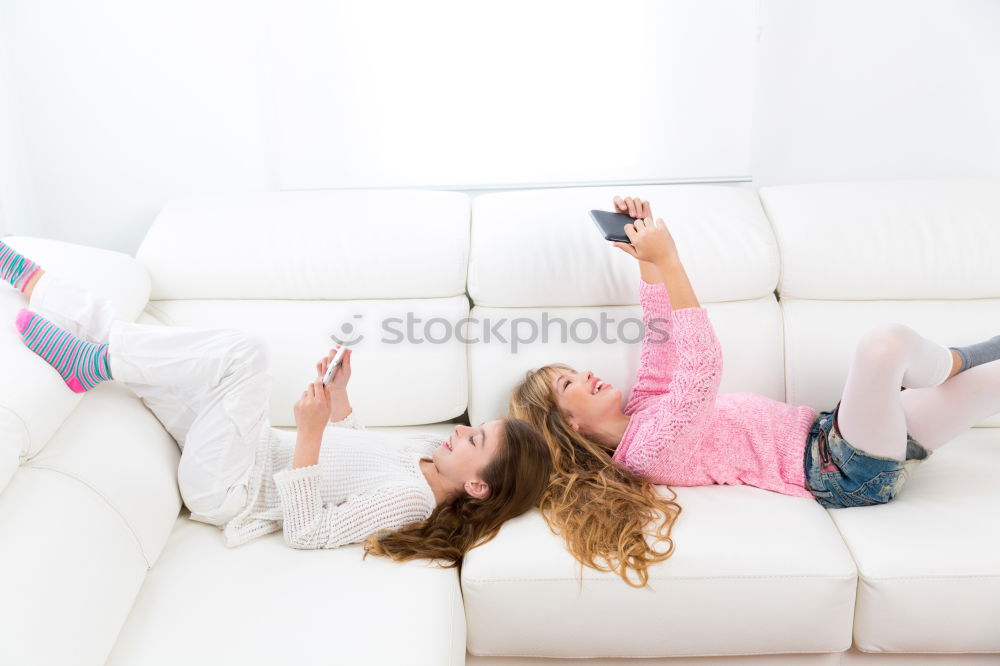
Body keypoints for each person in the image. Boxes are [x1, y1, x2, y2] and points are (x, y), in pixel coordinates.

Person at [509, 195, 1000, 587]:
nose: (587, 374)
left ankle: (944, 366)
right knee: (883, 344)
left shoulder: (641, 412)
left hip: (850, 431)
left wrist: (647, 259)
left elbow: (663, 336)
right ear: (567, 424)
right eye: (568, 383)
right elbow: (702, 367)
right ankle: (946, 363)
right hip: (843, 466)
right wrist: (671, 258)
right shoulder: (649, 450)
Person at [2, 239, 552, 565]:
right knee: (150, 345)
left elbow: (307, 531)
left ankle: (95, 365)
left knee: (247, 355)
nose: (461, 432)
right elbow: (355, 457)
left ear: (477, 485)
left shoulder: (411, 501)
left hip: (228, 488)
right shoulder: (427, 453)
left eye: (475, 439)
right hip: (234, 448)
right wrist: (339, 398)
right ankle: (38, 282)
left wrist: (308, 433)